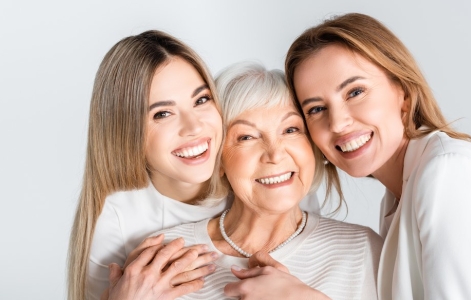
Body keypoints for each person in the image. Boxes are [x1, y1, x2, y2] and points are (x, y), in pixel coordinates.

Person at [226, 13, 471, 299]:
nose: (338, 123)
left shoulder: (449, 172)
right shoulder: (399, 196)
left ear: (403, 93)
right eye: (317, 109)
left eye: (355, 92)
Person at [67, 30, 322, 300]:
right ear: (126, 133)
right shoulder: (118, 221)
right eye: (162, 113)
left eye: (201, 100)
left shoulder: (266, 177)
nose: (194, 127)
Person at [151, 62, 383, 299]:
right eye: (247, 137)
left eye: (290, 130)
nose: (275, 154)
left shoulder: (363, 250)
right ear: (218, 159)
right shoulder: (165, 257)